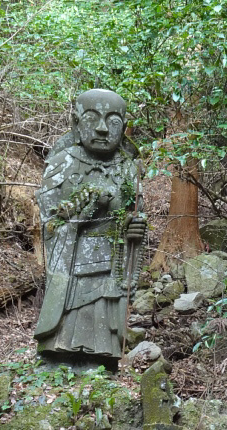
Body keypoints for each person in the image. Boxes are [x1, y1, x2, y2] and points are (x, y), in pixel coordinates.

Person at [34, 89, 147, 371]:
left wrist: (133, 228)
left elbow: (135, 213)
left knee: (103, 310)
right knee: (70, 311)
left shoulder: (128, 169)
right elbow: (50, 222)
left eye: (113, 121)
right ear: (76, 123)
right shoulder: (62, 163)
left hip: (112, 261)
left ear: (124, 126)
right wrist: (83, 213)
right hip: (72, 260)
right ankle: (57, 356)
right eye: (92, 118)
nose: (102, 128)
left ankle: (101, 360)